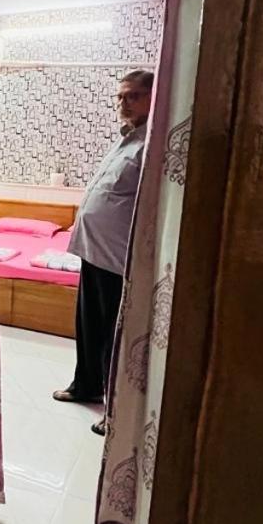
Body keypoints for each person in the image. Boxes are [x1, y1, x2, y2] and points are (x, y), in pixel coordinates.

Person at [53, 69, 154, 432]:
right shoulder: (126, 139)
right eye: (120, 96)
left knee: (115, 333)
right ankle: (87, 385)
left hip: (117, 256)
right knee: (89, 326)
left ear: (153, 97)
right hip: (92, 250)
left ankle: (116, 410)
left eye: (133, 96)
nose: (123, 102)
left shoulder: (152, 144)